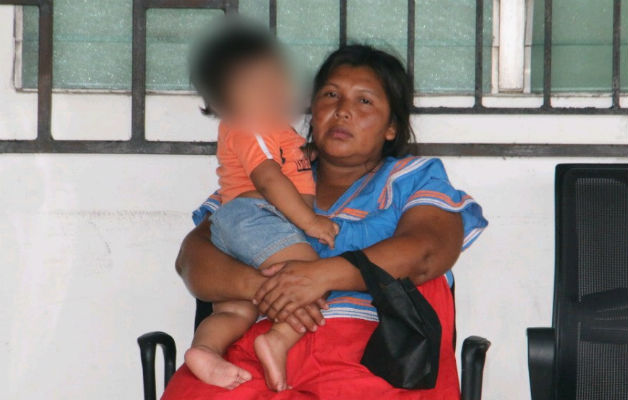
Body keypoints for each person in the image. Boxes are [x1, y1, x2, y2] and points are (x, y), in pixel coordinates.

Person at [165, 44, 488, 400]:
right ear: (313, 111)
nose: (343, 111)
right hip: (256, 357)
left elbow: (428, 251)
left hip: (372, 356)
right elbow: (193, 259)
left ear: (391, 127)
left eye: (364, 101)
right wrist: (269, 289)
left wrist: (320, 276)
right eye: (331, 95)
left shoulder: (414, 178)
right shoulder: (268, 176)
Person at [185, 21, 338, 391]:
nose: (272, 90)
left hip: (244, 228)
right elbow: (270, 181)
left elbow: (293, 166)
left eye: (275, 79)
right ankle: (278, 339)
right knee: (314, 276)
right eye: (256, 85)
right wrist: (311, 222)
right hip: (256, 217)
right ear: (224, 100)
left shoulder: (276, 130)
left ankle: (205, 351)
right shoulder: (249, 126)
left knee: (238, 309)